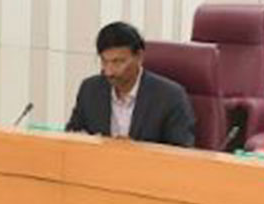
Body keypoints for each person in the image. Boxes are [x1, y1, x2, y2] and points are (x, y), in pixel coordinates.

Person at [66, 21, 195, 147]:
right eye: (104, 61)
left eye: (118, 62)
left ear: (139, 56)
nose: (109, 72)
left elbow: (182, 153)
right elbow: (71, 136)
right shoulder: (90, 89)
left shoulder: (170, 97)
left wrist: (137, 150)